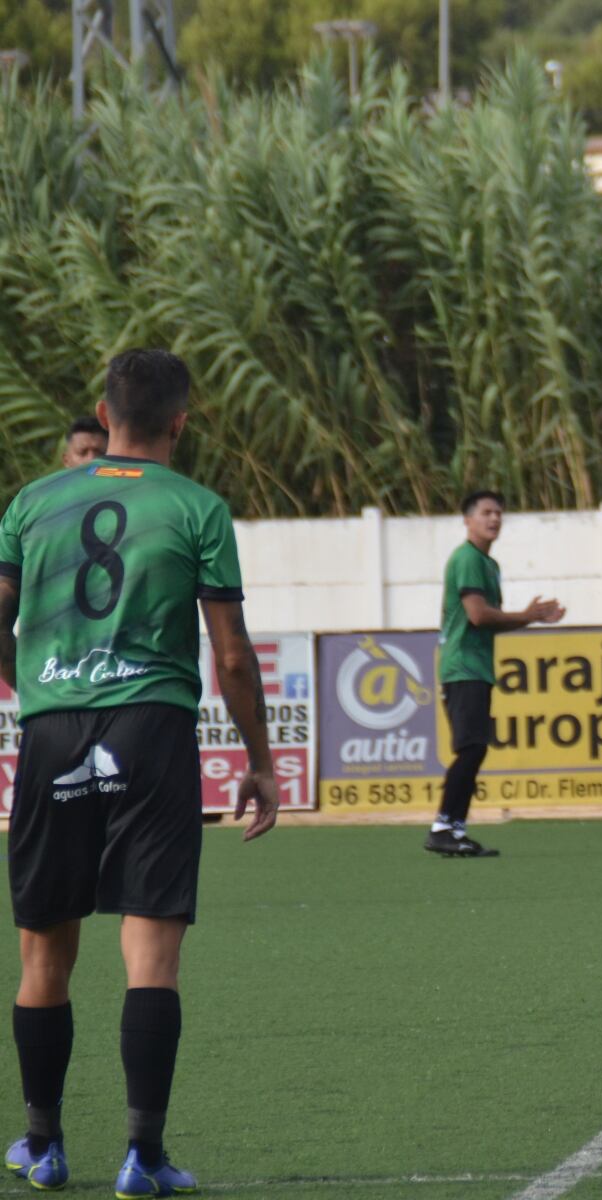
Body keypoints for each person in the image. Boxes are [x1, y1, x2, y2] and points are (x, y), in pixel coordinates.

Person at [0, 349, 279, 1197]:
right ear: (183, 421)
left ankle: (43, 1145)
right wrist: (261, 763)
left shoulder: (31, 503)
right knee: (150, 956)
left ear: (102, 409)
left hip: (53, 734)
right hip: (152, 731)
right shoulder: (199, 508)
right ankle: (142, 1158)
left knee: (43, 953)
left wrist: (34, 688)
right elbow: (230, 654)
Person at [426, 491, 565, 858]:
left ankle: (453, 828)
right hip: (462, 666)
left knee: (474, 747)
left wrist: (528, 618)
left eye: (499, 513)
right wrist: (528, 615)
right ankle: (444, 825)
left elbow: (490, 623)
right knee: (471, 747)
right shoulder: (468, 558)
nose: (495, 519)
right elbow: (477, 615)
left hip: (476, 666)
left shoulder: (489, 565)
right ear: (468, 519)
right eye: (487, 512)